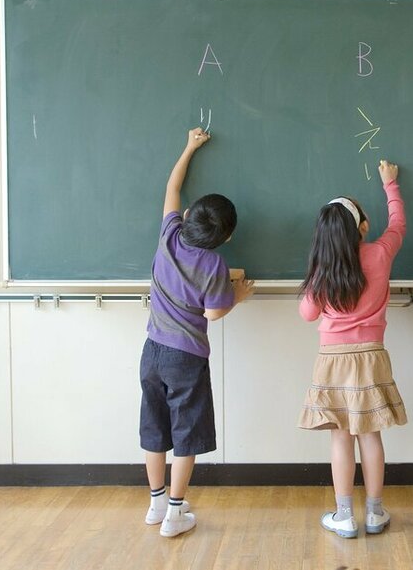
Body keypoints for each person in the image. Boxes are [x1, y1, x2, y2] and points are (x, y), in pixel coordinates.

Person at [140, 127, 254, 537]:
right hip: (186, 357)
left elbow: (173, 185)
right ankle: (175, 512)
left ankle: (156, 503)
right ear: (226, 239)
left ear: (187, 217)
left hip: (152, 350)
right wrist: (238, 294)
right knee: (186, 432)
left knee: (155, 427)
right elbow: (213, 311)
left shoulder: (168, 236)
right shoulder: (214, 266)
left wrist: (189, 146)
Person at [298, 160, 408, 539]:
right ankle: (375, 513)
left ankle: (343, 515)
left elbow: (306, 314)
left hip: (332, 362)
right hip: (372, 356)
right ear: (360, 228)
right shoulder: (379, 254)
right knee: (371, 435)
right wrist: (390, 185)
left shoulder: (322, 271)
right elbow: (398, 226)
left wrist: (315, 276)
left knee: (340, 437)